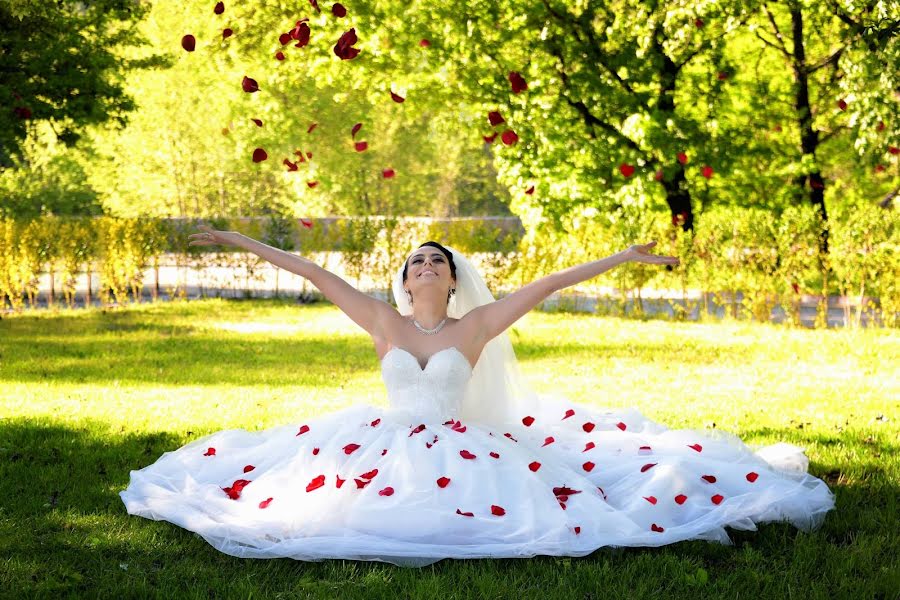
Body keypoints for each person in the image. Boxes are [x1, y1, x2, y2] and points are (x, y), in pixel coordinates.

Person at [119, 224, 835, 568]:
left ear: (453, 280)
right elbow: (310, 271)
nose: (426, 266)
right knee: (321, 498)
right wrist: (237, 240)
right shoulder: (383, 321)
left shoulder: (477, 326)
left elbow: (549, 283)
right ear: (404, 281)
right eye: (416, 262)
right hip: (384, 440)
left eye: (437, 261)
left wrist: (627, 258)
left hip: (465, 447)